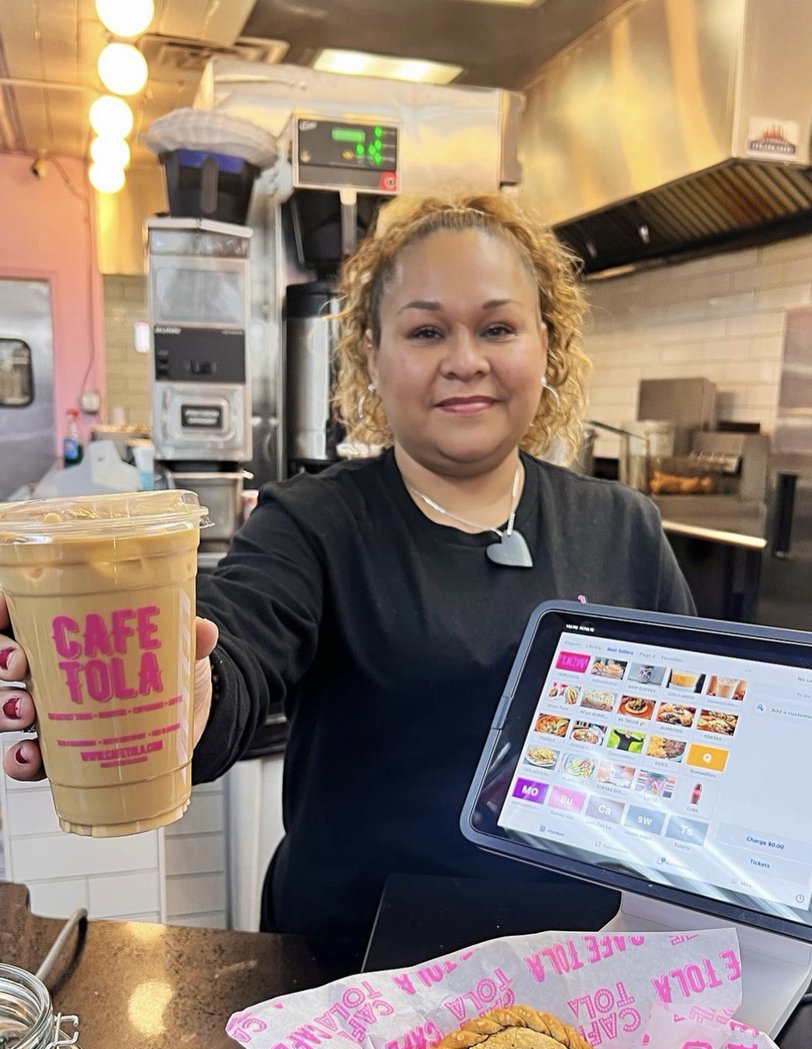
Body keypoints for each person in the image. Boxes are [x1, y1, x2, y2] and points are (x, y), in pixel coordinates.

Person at [0, 192, 694, 942]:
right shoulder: (314, 522)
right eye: (426, 331)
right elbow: (238, 642)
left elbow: (691, 742)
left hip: (580, 961)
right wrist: (186, 688)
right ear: (371, 355)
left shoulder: (623, 527)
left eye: (497, 328)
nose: (466, 361)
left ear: (546, 345)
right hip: (351, 966)